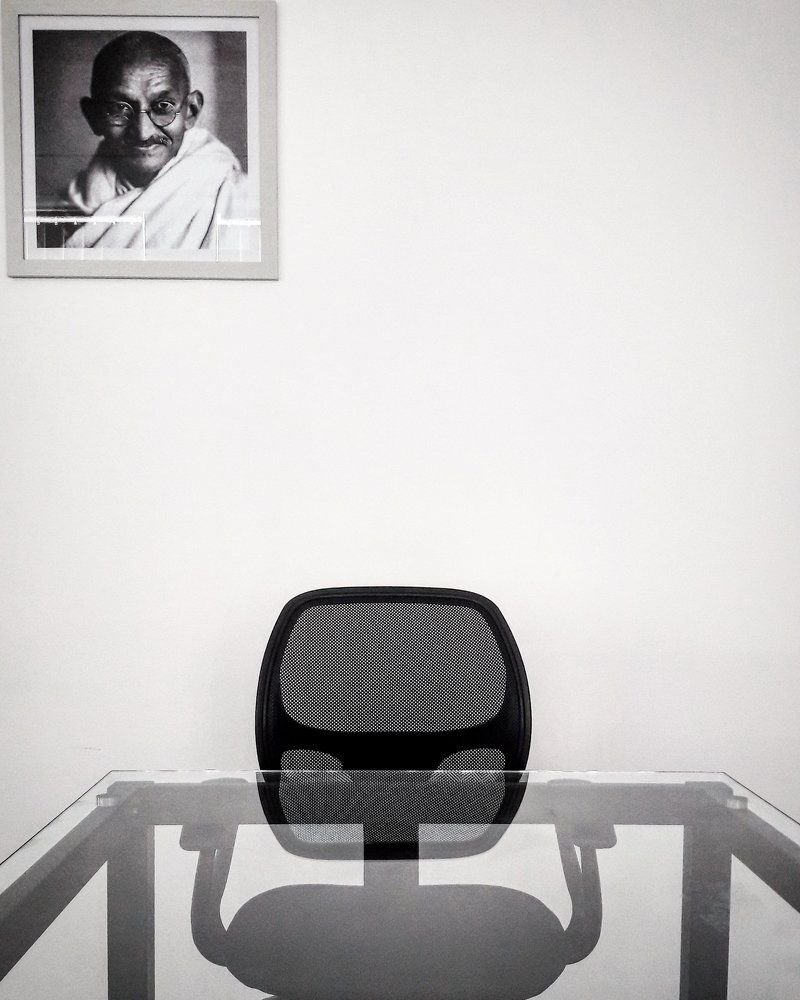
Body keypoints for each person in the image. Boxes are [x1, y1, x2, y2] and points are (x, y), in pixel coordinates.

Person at [64, 31, 257, 254]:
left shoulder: (238, 198)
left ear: (191, 111)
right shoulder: (68, 212)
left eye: (163, 107)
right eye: (119, 108)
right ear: (93, 117)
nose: (143, 132)